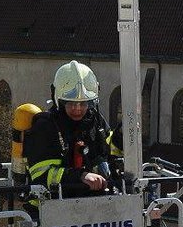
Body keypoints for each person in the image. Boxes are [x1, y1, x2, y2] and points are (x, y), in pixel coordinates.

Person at [23, 61, 121, 210]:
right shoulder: (45, 126)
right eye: (71, 103)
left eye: (83, 103)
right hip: (48, 211)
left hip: (90, 206)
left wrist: (121, 137)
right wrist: (80, 176)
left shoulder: (94, 120)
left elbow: (108, 148)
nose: (78, 109)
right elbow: (41, 175)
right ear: (59, 100)